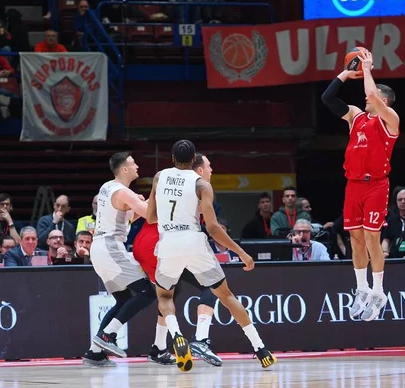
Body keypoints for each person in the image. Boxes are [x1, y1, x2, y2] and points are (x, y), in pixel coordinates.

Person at [146, 139, 277, 372]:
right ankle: (261, 349)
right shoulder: (202, 185)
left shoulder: (159, 177)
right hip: (194, 243)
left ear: (172, 159)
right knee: (226, 296)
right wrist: (241, 252)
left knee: (165, 297)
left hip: (168, 244)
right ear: (194, 159)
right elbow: (214, 228)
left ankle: (176, 336)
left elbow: (150, 218)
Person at [321, 49, 400, 322]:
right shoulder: (356, 117)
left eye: (373, 96)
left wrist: (367, 69)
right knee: (355, 239)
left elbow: (372, 97)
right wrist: (347, 72)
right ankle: (362, 289)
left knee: (371, 239)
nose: (366, 98)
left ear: (384, 100)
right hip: (353, 184)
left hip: (377, 185)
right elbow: (328, 98)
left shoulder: (390, 119)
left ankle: (379, 292)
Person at [133, 153, 222, 367]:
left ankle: (159, 347)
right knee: (210, 287)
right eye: (209, 166)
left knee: (171, 292)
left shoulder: (164, 178)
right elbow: (210, 227)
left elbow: (151, 213)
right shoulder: (197, 187)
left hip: (145, 243)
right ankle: (199, 339)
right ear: (198, 169)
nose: (212, 170)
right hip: (162, 244)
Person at [83, 152, 157, 367]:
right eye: (134, 164)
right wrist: (157, 195)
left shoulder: (107, 187)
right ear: (124, 168)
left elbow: (127, 215)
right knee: (148, 291)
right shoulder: (123, 192)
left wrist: (138, 203)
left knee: (124, 299)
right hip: (110, 247)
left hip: (101, 248)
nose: (137, 167)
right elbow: (151, 216)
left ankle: (95, 352)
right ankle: (108, 335)